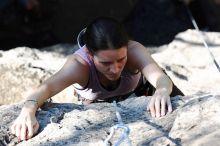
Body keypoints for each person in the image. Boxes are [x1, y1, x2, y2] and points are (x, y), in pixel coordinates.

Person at [10, 17, 184, 141]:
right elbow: (45, 89)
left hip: (141, 90)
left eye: (121, 59)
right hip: (97, 104)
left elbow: (160, 77)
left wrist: (161, 90)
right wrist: (27, 112)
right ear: (89, 54)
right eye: (105, 62)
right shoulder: (78, 65)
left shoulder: (134, 50)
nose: (115, 69)